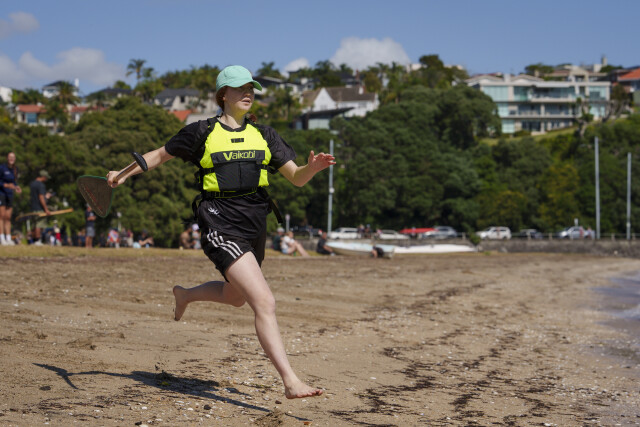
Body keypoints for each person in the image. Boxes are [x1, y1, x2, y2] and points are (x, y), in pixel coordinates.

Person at [106, 65, 334, 399]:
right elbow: (159, 155)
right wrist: (123, 173)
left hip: (254, 223)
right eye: (241, 88)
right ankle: (291, 382)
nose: (248, 94)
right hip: (219, 221)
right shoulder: (201, 132)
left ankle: (185, 295)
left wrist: (311, 169)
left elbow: (296, 178)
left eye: (251, 89)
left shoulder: (265, 135)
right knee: (264, 301)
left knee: (236, 297)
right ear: (223, 95)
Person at [0, 152, 22, 246]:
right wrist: (6, 185)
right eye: (10, 157)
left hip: (10, 194)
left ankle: (8, 238)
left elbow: (14, 182)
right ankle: (2, 238)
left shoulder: (15, 169)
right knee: (1, 216)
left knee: (8, 217)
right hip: (1, 194)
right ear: (7, 158)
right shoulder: (2, 168)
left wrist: (16, 187)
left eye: (13, 157)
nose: (11, 159)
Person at [29, 170, 52, 245]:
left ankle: (33, 241)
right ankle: (38, 240)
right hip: (39, 208)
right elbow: (41, 197)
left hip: (32, 207)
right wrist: (46, 209)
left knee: (34, 224)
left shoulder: (32, 184)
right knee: (39, 224)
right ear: (43, 177)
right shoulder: (41, 185)